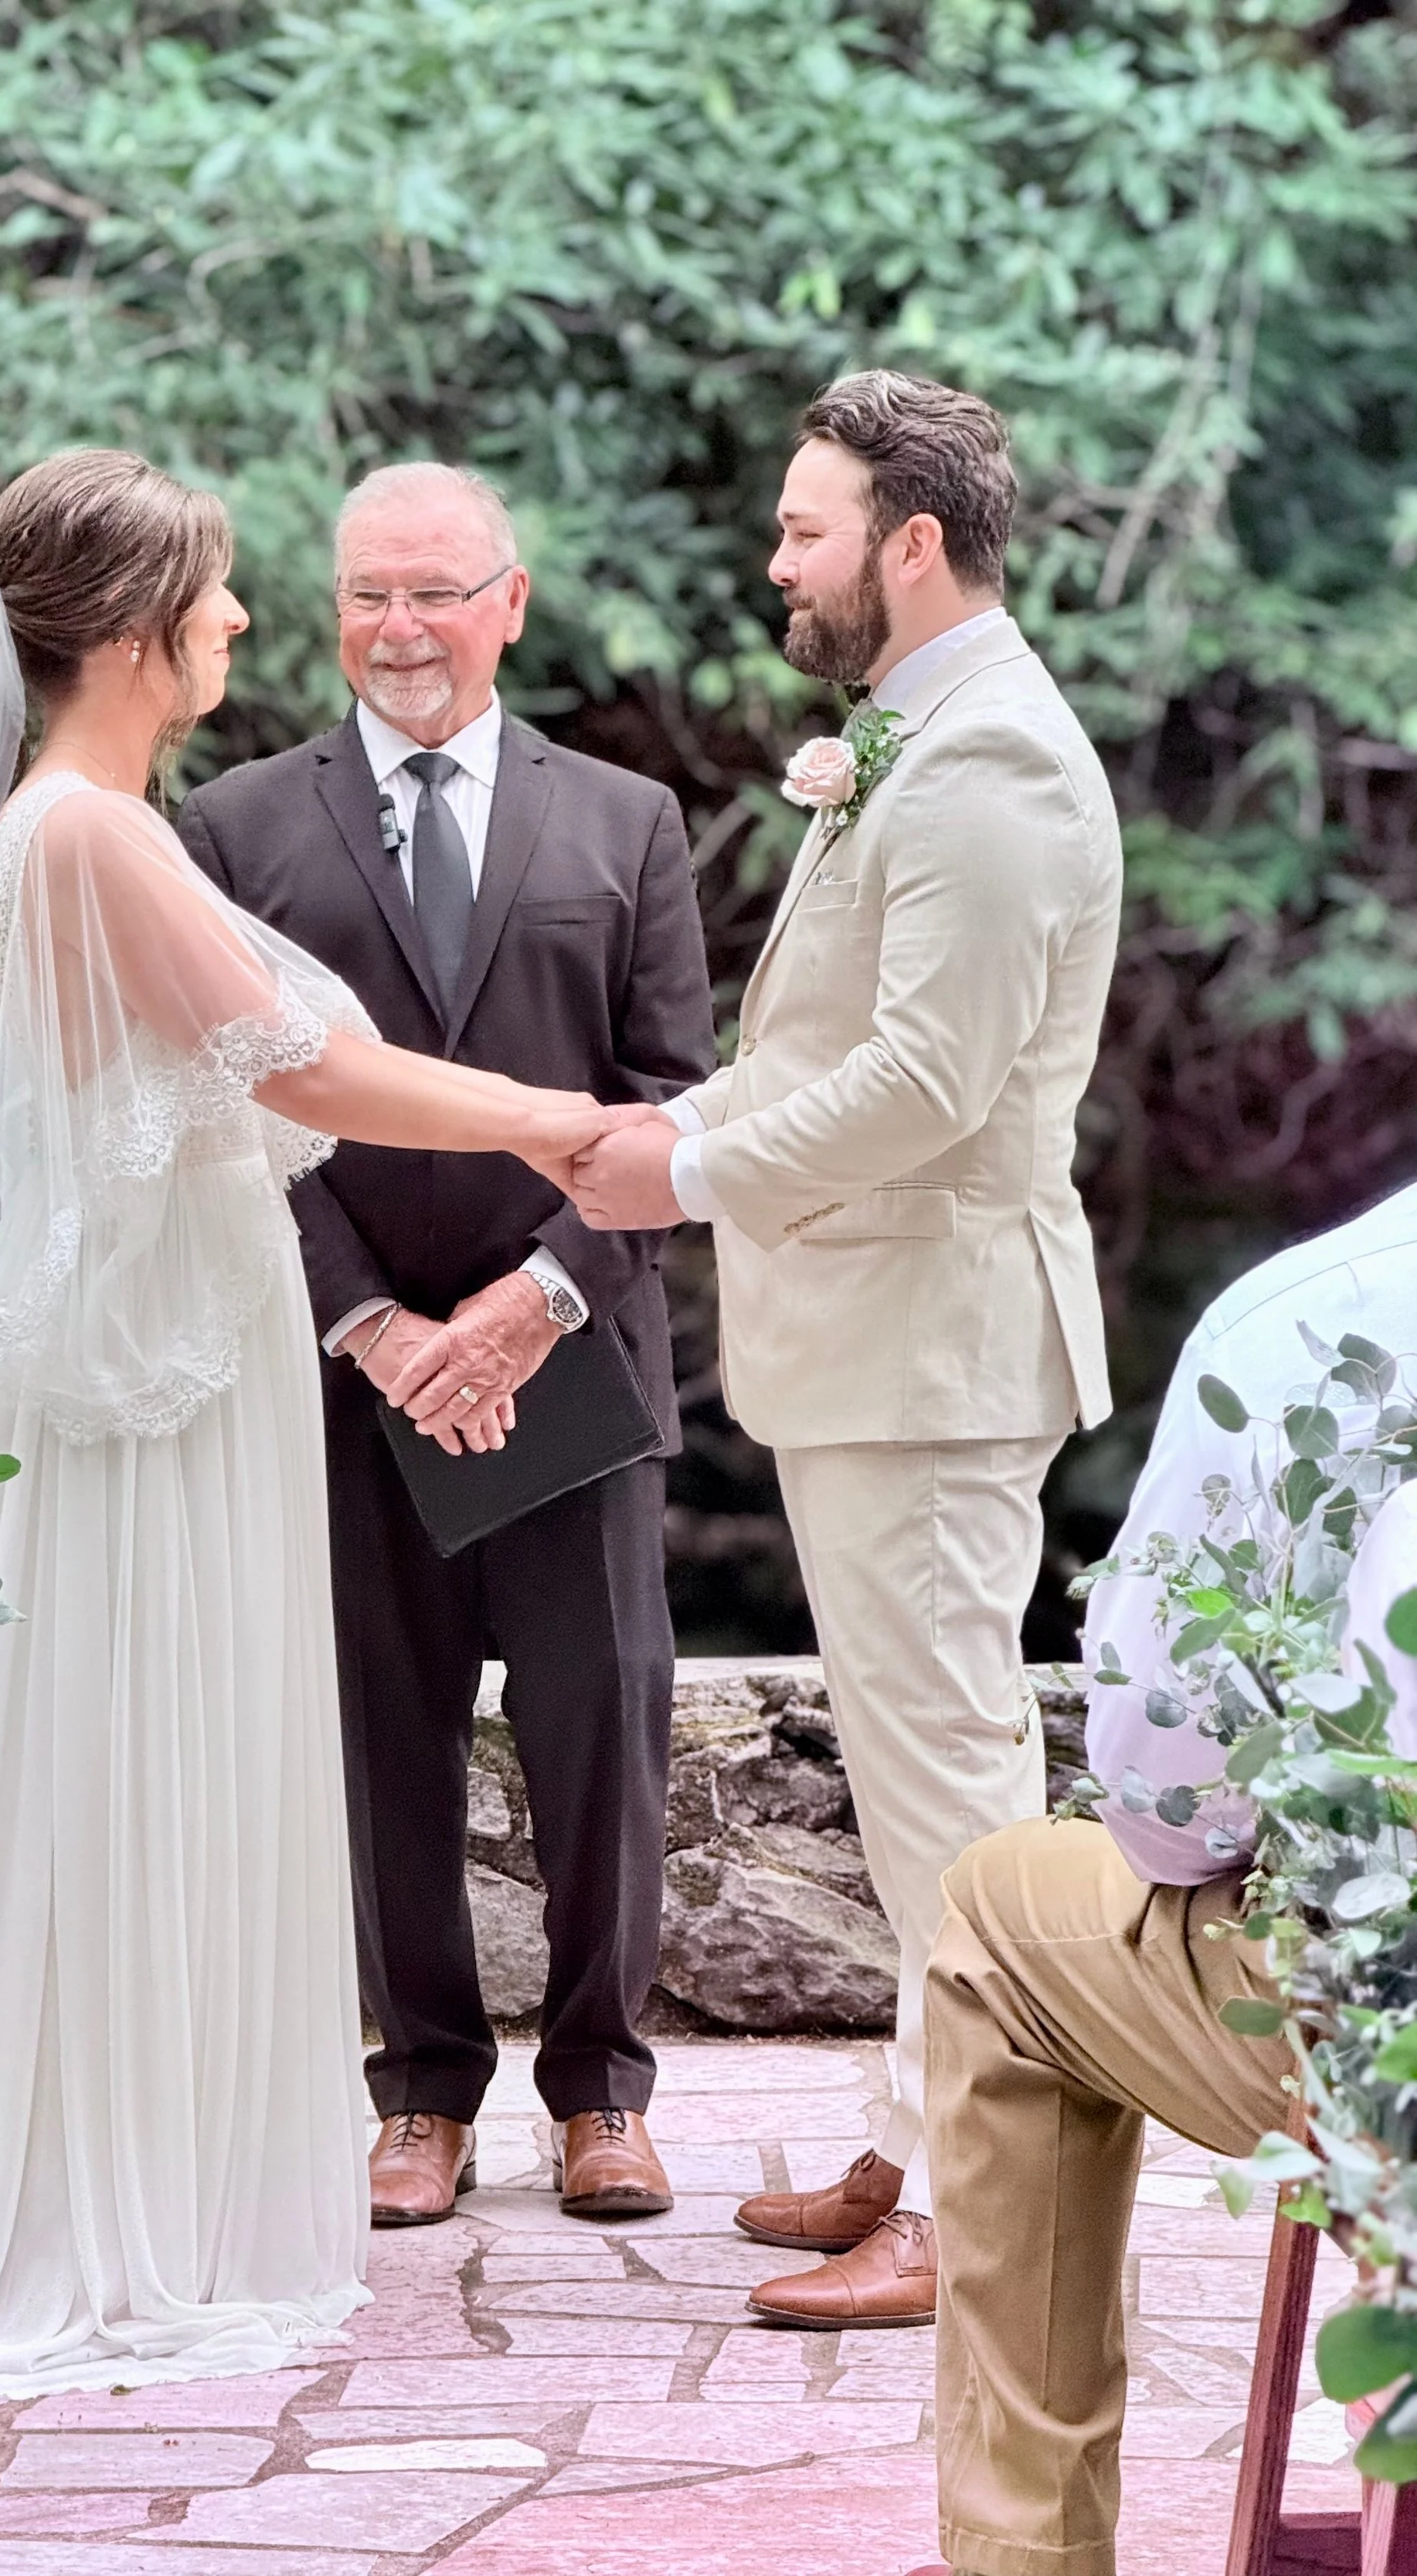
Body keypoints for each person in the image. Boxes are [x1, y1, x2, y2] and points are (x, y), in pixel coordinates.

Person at [0, 450, 616, 2401]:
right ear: (140, 630)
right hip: (135, 1396)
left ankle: (135, 2155)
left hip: (175, 1362)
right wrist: (549, 1120)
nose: (244, 623)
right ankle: (82, 2195)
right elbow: (309, 1061)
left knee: (143, 1746)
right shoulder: (85, 833)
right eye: (220, 596)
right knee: (113, 1749)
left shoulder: (98, 822)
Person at [571, 370, 1122, 2325]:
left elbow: (923, 1083)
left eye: (803, 527)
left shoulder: (989, 766)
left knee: (952, 1788)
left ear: (906, 542)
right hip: (884, 1342)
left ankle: (982, 2214)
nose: (773, 561)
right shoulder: (914, 734)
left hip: (931, 1347)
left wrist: (686, 1166)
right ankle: (918, 2123)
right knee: (916, 1782)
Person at [174, 461, 714, 2227]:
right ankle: (416, 2091)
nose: (396, 628)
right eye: (364, 595)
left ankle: (599, 2092)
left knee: (602, 1728)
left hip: (569, 1345)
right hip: (349, 1370)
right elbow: (218, 1114)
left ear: (511, 600)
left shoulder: (625, 821)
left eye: (431, 591)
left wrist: (527, 1302)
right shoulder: (236, 828)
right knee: (379, 1735)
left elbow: (668, 1104)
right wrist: (378, 1327)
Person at [913, 1180, 1417, 2576]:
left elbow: (1169, 1800)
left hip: (1386, 2036)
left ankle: (1031, 2555)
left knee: (1002, 1924)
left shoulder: (1313, 1323)